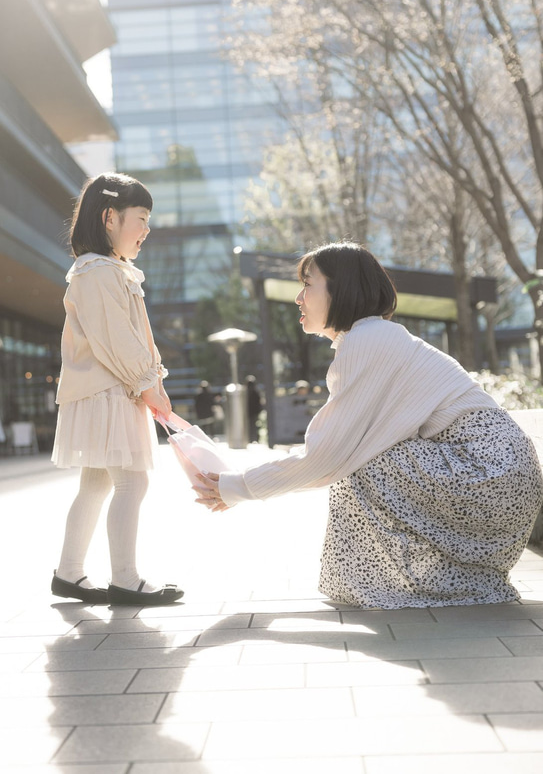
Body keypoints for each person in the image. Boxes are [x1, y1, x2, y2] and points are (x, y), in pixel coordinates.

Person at [194, 242, 543, 609]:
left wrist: (240, 486)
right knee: (361, 456)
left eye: (308, 284)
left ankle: (428, 585)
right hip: (503, 476)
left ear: (340, 289)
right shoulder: (375, 337)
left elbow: (326, 454)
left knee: (359, 461)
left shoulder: (367, 339)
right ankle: (439, 582)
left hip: (489, 472)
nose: (299, 297)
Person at [50, 172, 183, 607]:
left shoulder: (102, 271)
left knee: (97, 484)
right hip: (110, 392)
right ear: (110, 217)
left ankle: (69, 573)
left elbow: (125, 336)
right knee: (132, 483)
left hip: (104, 391)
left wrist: (150, 379)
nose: (147, 229)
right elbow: (119, 340)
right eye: (140, 218)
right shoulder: (99, 272)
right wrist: (149, 384)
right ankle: (125, 578)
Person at [245, 375, 262, 442]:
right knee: (254, 426)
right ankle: (255, 439)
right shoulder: (256, 391)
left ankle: (251, 439)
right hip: (254, 412)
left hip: (249, 412)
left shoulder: (246, 392)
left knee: (251, 426)